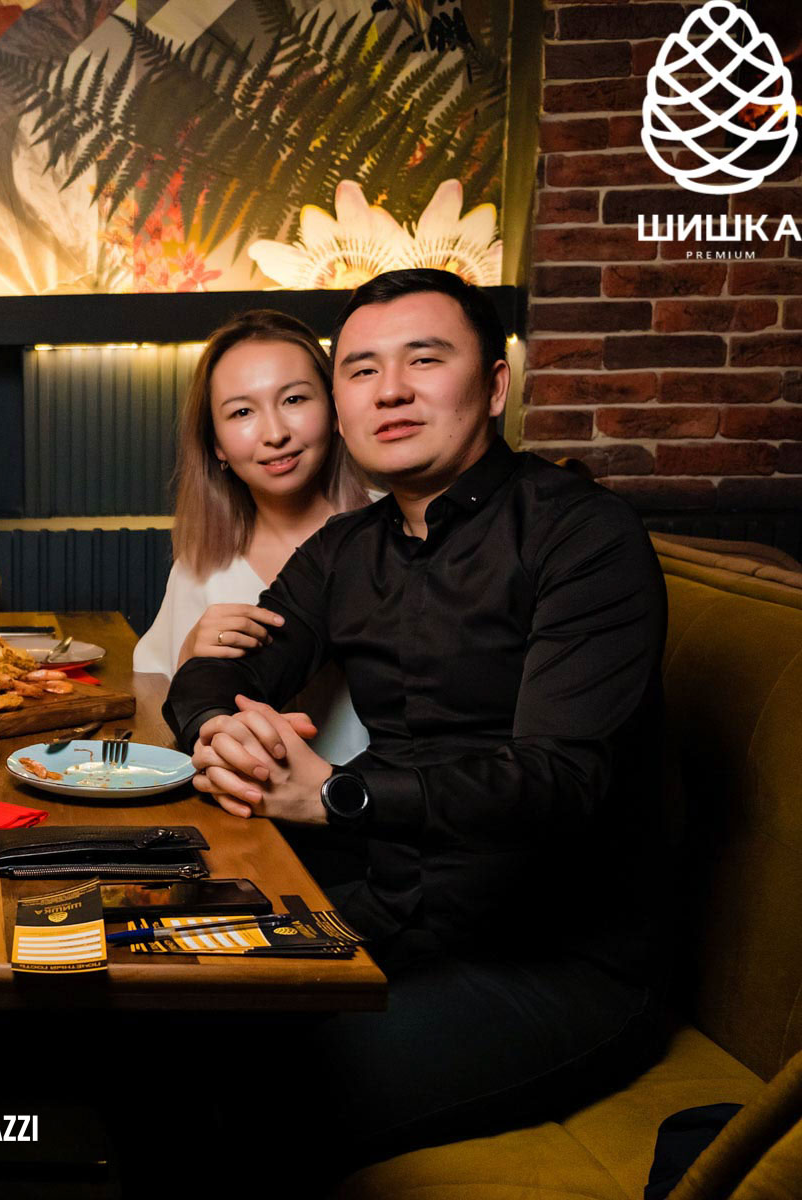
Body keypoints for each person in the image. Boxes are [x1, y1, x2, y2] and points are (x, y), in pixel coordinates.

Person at [162, 270, 667, 1185]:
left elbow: (562, 780)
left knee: (251, 1101)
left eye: (423, 360)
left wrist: (341, 795)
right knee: (145, 1015)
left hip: (548, 959)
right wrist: (214, 725)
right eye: (362, 370)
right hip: (384, 904)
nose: (389, 390)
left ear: (496, 385)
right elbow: (222, 667)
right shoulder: (346, 550)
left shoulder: (583, 535)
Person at [133, 310, 372, 766]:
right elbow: (153, 692)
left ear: (334, 409)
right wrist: (188, 655)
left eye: (294, 399)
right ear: (217, 445)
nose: (275, 434)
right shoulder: (202, 565)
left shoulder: (401, 528)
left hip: (381, 800)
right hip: (241, 799)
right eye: (242, 412)